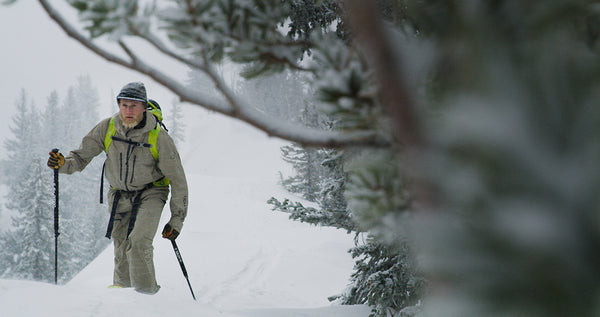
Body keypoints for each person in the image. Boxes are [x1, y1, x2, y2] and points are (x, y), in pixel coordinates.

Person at [47, 82, 188, 294]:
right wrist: (62, 165)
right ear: (119, 105)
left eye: (133, 105)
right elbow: (80, 157)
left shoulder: (158, 137)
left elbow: (178, 179)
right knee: (121, 246)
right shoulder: (108, 127)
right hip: (119, 195)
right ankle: (122, 301)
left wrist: (176, 219)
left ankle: (148, 299)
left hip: (151, 193)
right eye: (124, 105)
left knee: (139, 243)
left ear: (143, 107)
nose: (128, 110)